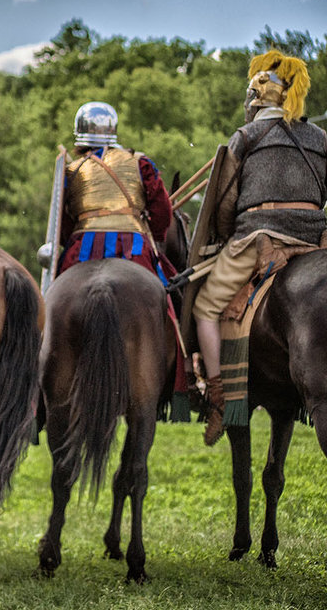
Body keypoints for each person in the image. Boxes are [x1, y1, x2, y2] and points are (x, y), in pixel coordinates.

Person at [192, 50, 326, 446]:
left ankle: (217, 397)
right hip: (314, 241)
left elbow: (227, 200)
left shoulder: (247, 136)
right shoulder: (320, 139)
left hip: (257, 238)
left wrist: (224, 234)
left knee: (205, 308)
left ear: (256, 98)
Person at [55, 102, 174, 280]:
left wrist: (69, 240)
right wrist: (155, 236)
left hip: (82, 248)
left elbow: (62, 222)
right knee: (166, 290)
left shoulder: (71, 170)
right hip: (132, 246)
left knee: (55, 295)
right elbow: (162, 210)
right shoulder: (140, 163)